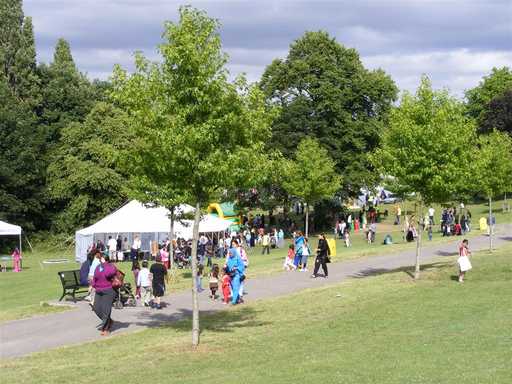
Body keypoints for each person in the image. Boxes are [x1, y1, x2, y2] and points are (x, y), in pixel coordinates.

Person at [92, 255, 117, 336]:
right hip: (98, 290)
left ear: (105, 259)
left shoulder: (111, 266)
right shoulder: (98, 267)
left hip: (108, 290)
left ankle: (105, 329)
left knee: (106, 310)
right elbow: (95, 277)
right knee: (96, 308)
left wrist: (105, 265)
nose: (100, 259)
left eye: (102, 257)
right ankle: (109, 321)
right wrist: (92, 285)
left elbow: (108, 274)